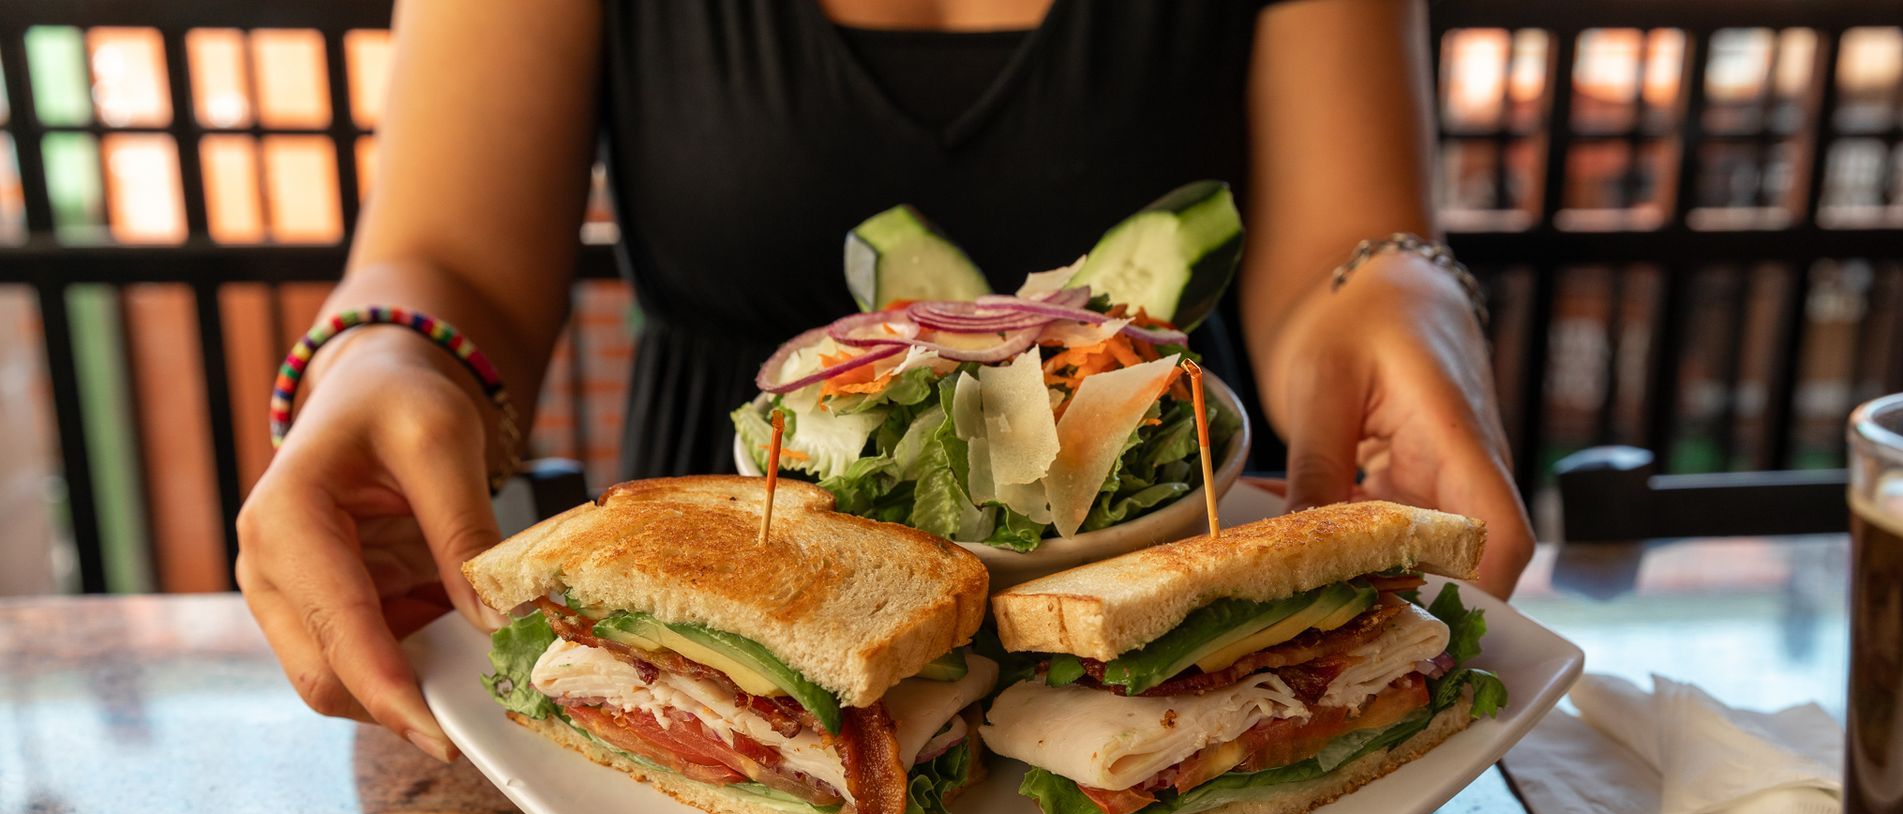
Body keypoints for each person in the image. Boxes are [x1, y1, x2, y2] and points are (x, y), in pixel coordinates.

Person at [237, 0, 1535, 764]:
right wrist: (379, 353)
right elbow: (445, 257)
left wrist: (1408, 288)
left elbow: (1343, 250)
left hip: (1156, 596)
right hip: (732, 600)